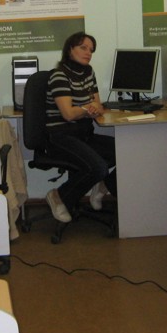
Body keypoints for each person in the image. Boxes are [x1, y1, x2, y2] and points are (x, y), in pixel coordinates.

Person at [44, 31, 116, 222]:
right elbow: (68, 114)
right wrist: (87, 108)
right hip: (61, 136)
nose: (88, 53)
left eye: (91, 50)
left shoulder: (88, 72)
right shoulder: (59, 75)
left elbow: (98, 106)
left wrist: (90, 108)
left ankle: (103, 186)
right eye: (83, 48)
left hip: (84, 134)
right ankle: (58, 196)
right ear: (70, 50)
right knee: (99, 168)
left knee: (126, 150)